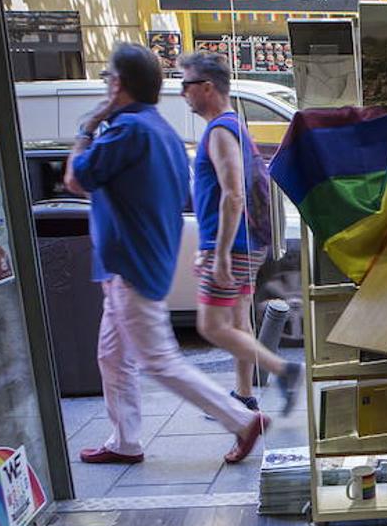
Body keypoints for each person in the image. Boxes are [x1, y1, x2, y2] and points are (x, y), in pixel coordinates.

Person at [65, 43, 268, 465]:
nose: (184, 93)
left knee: (158, 359)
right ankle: (125, 440)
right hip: (142, 260)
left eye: (108, 80)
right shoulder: (164, 133)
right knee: (112, 354)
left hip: (130, 265)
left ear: (118, 84)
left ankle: (242, 419)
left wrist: (89, 126)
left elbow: (74, 177)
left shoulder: (127, 131)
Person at [177, 51, 303, 416]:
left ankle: (284, 370)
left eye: (186, 85)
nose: (183, 93)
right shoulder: (233, 125)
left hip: (232, 246)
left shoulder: (219, 131)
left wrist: (218, 254)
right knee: (236, 322)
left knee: (211, 325)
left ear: (206, 88)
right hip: (246, 243)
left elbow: (233, 194)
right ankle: (245, 394)